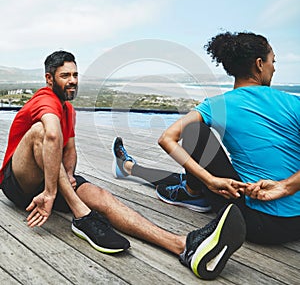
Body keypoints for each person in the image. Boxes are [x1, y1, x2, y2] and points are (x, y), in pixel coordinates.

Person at [0, 51, 246, 281]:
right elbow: (52, 136)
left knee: (103, 197)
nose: (73, 80)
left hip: (51, 179)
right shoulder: (45, 99)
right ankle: (82, 216)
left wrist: (71, 175)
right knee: (41, 131)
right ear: (49, 78)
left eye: (75, 75)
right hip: (19, 182)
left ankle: (183, 246)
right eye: (65, 75)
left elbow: (70, 149)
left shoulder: (69, 109)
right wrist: (52, 192)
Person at [112, 31, 300, 245]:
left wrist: (210, 181)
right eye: (272, 62)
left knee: (195, 133)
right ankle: (129, 167)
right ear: (259, 64)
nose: (273, 68)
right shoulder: (294, 102)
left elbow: (167, 138)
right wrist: (287, 186)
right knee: (196, 176)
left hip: (254, 223)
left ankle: (181, 188)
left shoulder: (217, 105)